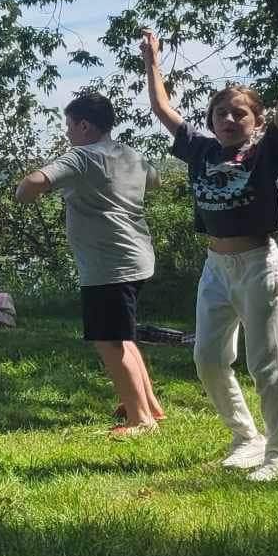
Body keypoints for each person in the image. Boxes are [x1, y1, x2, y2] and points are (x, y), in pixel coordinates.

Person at [142, 27, 278, 480]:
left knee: (267, 364)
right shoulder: (200, 150)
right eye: (221, 113)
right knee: (208, 358)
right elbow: (162, 108)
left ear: (256, 121)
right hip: (215, 267)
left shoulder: (264, 152)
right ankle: (246, 437)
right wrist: (152, 60)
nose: (229, 120)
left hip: (258, 265)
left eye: (239, 114)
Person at [15, 92, 165, 438]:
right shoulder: (130, 154)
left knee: (108, 340)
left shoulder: (81, 157)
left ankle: (140, 420)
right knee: (122, 335)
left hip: (108, 263)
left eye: (69, 125)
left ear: (84, 125)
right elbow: (154, 180)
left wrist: (26, 191)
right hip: (138, 256)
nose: (67, 133)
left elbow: (31, 185)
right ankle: (148, 405)